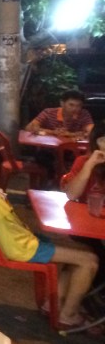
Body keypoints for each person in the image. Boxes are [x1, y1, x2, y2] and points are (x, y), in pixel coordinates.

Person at [0, 142, 98, 329]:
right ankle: (68, 315)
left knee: (82, 248)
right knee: (90, 260)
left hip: (23, 239)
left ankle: (54, 304)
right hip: (20, 247)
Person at [62, 119, 105, 290]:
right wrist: (90, 165)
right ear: (97, 141)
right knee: (90, 253)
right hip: (87, 229)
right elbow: (71, 194)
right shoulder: (84, 162)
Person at [25, 89, 93, 139]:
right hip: (48, 149)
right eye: (71, 105)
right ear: (62, 103)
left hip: (73, 149)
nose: (75, 108)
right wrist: (53, 132)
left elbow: (93, 132)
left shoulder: (84, 114)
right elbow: (29, 128)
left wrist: (69, 134)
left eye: (78, 106)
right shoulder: (48, 112)